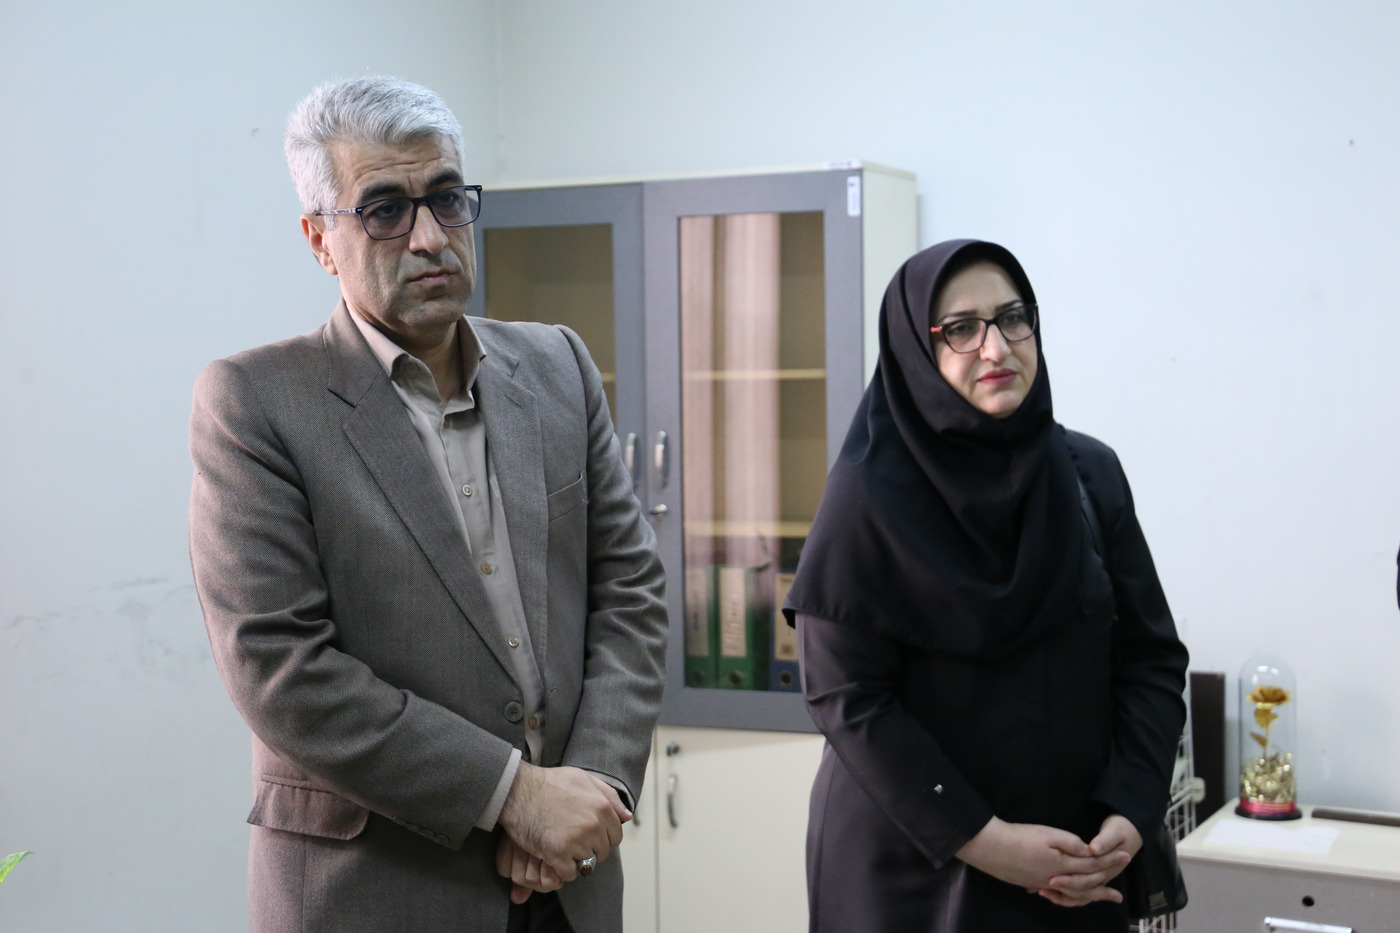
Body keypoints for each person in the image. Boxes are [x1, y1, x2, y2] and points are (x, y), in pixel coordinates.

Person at [188, 77, 667, 933]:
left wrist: (590, 785)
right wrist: (512, 794)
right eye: (384, 210)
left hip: (567, 888)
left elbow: (629, 592)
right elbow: (282, 668)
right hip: (380, 890)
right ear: (320, 240)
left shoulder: (557, 366)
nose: (430, 237)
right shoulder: (256, 403)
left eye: (447, 199)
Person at [784, 239, 1189, 932]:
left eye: (1012, 318)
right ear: (916, 349)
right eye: (962, 328)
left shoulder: (1089, 475)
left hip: (1074, 864)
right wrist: (988, 841)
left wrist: (1131, 806)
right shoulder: (867, 497)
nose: (996, 348)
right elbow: (846, 696)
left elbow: (1151, 658)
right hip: (917, 866)